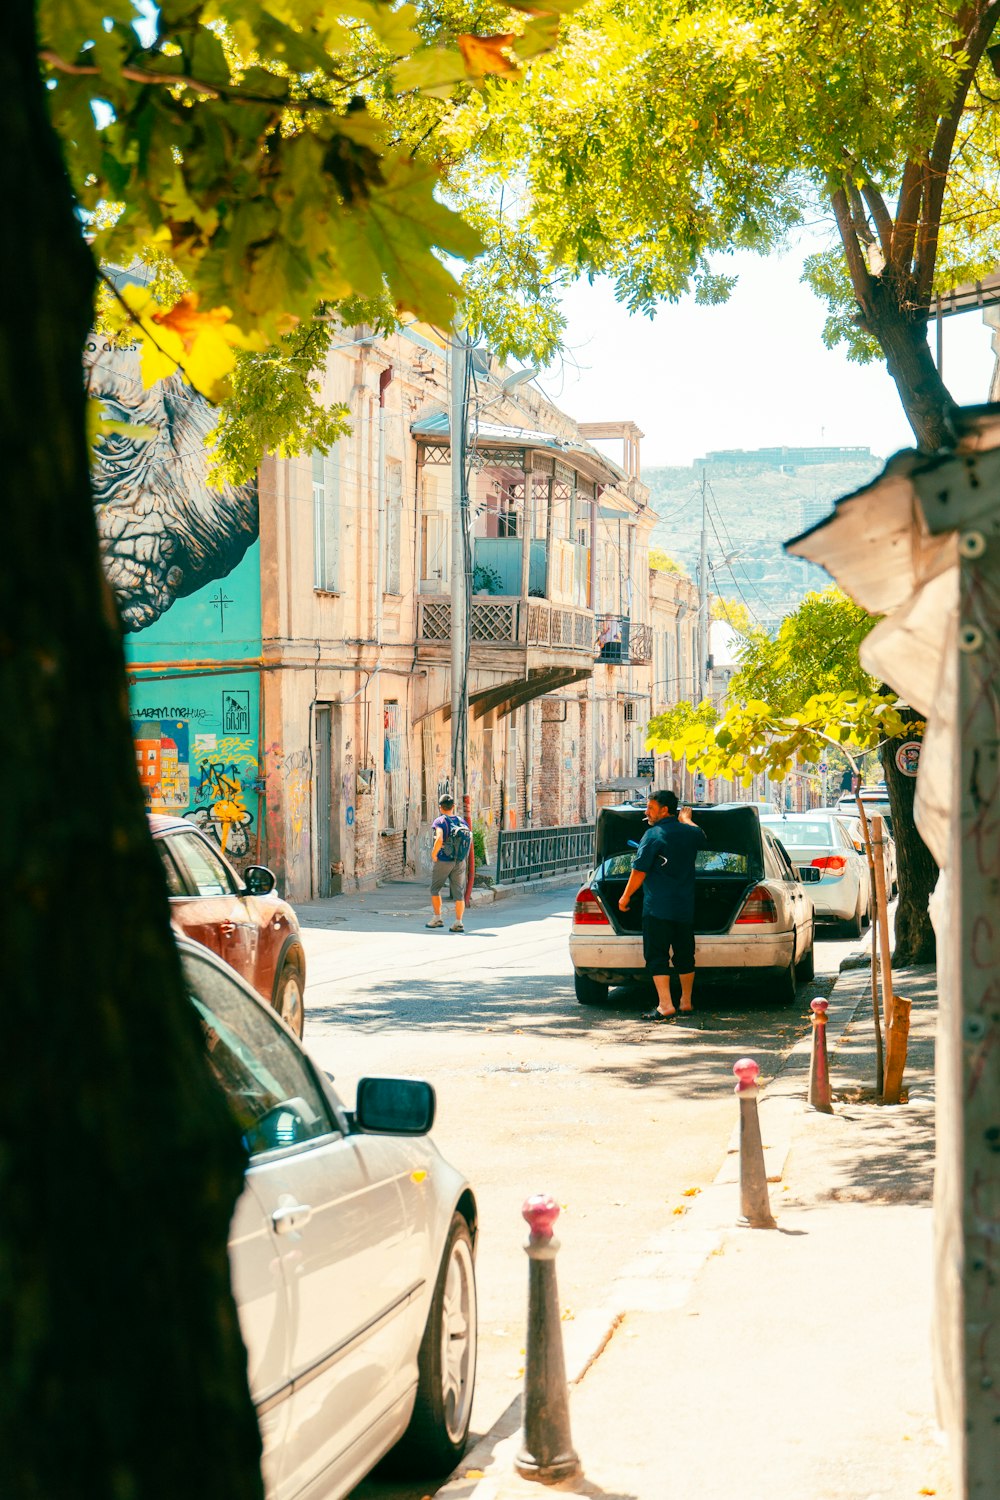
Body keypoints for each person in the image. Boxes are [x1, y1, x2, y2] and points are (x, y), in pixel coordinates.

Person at [618, 788, 707, 1021]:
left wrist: (625, 897)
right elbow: (701, 836)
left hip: (657, 908)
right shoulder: (689, 833)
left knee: (657, 956)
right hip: (684, 907)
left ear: (664, 809)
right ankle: (686, 1002)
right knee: (685, 954)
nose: (646, 812)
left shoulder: (653, 835)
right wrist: (687, 820)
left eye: (650, 808)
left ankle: (665, 1005)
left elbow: (639, 870)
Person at [427, 794, 470, 932]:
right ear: (454, 807)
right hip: (460, 860)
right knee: (459, 892)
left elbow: (439, 839)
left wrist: (434, 854)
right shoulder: (462, 821)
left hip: (444, 860)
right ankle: (458, 922)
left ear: (440, 807)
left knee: (435, 889)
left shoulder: (440, 821)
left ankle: (437, 918)